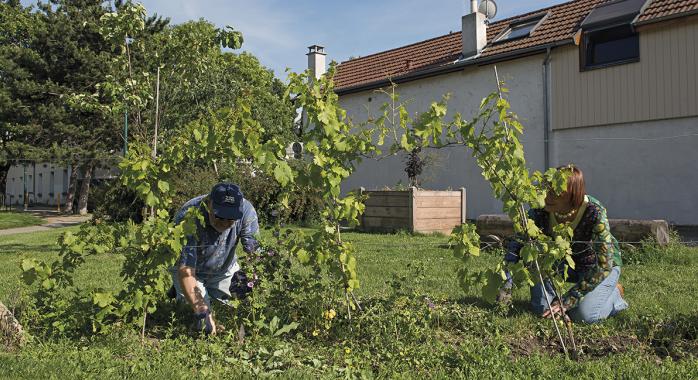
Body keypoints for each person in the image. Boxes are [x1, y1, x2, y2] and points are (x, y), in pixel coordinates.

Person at [500, 165, 628, 323]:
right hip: (559, 265)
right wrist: (506, 283)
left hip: (596, 267)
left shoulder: (593, 212)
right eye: (547, 190)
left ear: (573, 195)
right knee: (544, 311)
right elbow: (517, 245)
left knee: (584, 316)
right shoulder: (540, 211)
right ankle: (555, 302)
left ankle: (616, 294)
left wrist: (568, 301)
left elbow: (605, 264)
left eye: (556, 192)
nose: (547, 196)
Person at [170, 182, 259, 335]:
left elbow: (255, 253)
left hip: (223, 268)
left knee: (235, 309)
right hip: (192, 272)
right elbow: (186, 269)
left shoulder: (246, 210)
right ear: (209, 204)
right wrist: (202, 311)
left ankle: (203, 292)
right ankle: (179, 288)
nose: (224, 223)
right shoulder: (189, 216)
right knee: (197, 319)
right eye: (219, 216)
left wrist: (252, 277)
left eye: (230, 218)